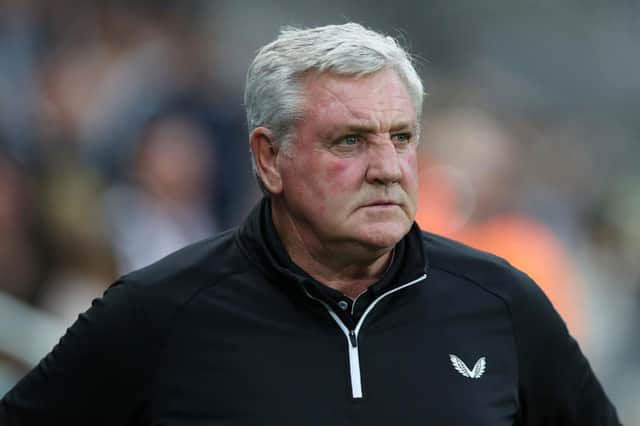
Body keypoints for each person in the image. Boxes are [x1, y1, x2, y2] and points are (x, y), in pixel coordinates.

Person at [0, 23, 620, 426]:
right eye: (349, 141)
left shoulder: (502, 302)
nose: (387, 168)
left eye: (401, 138)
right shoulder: (160, 311)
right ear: (270, 158)